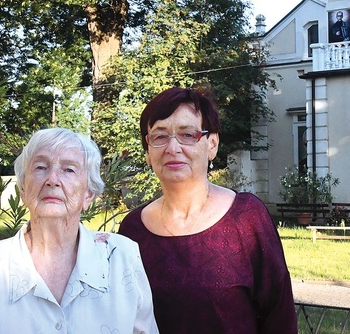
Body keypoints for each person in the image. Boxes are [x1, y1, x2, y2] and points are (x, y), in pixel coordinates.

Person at [118, 87, 297, 334]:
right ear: (148, 151)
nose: (173, 147)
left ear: (211, 144)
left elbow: (280, 319)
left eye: (188, 134)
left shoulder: (246, 218)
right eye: (159, 136)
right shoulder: (132, 230)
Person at [0, 128, 158, 333]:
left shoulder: (123, 257)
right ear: (23, 190)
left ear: (88, 194)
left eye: (69, 170)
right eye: (41, 167)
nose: (52, 179)